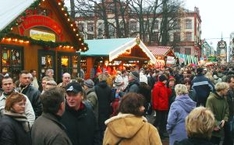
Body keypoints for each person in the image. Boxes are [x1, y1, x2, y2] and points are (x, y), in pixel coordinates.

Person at [152, 74, 171, 139]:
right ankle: (152, 130)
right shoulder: (157, 87)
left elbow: (168, 93)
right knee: (159, 120)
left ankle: (161, 133)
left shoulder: (163, 86)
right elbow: (155, 97)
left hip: (163, 106)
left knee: (162, 120)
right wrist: (155, 106)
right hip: (160, 106)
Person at [95, 73, 113, 141]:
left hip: (99, 108)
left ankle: (100, 139)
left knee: (99, 125)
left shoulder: (96, 88)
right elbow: (111, 98)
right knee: (105, 124)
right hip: (106, 108)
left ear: (99, 79)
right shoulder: (109, 88)